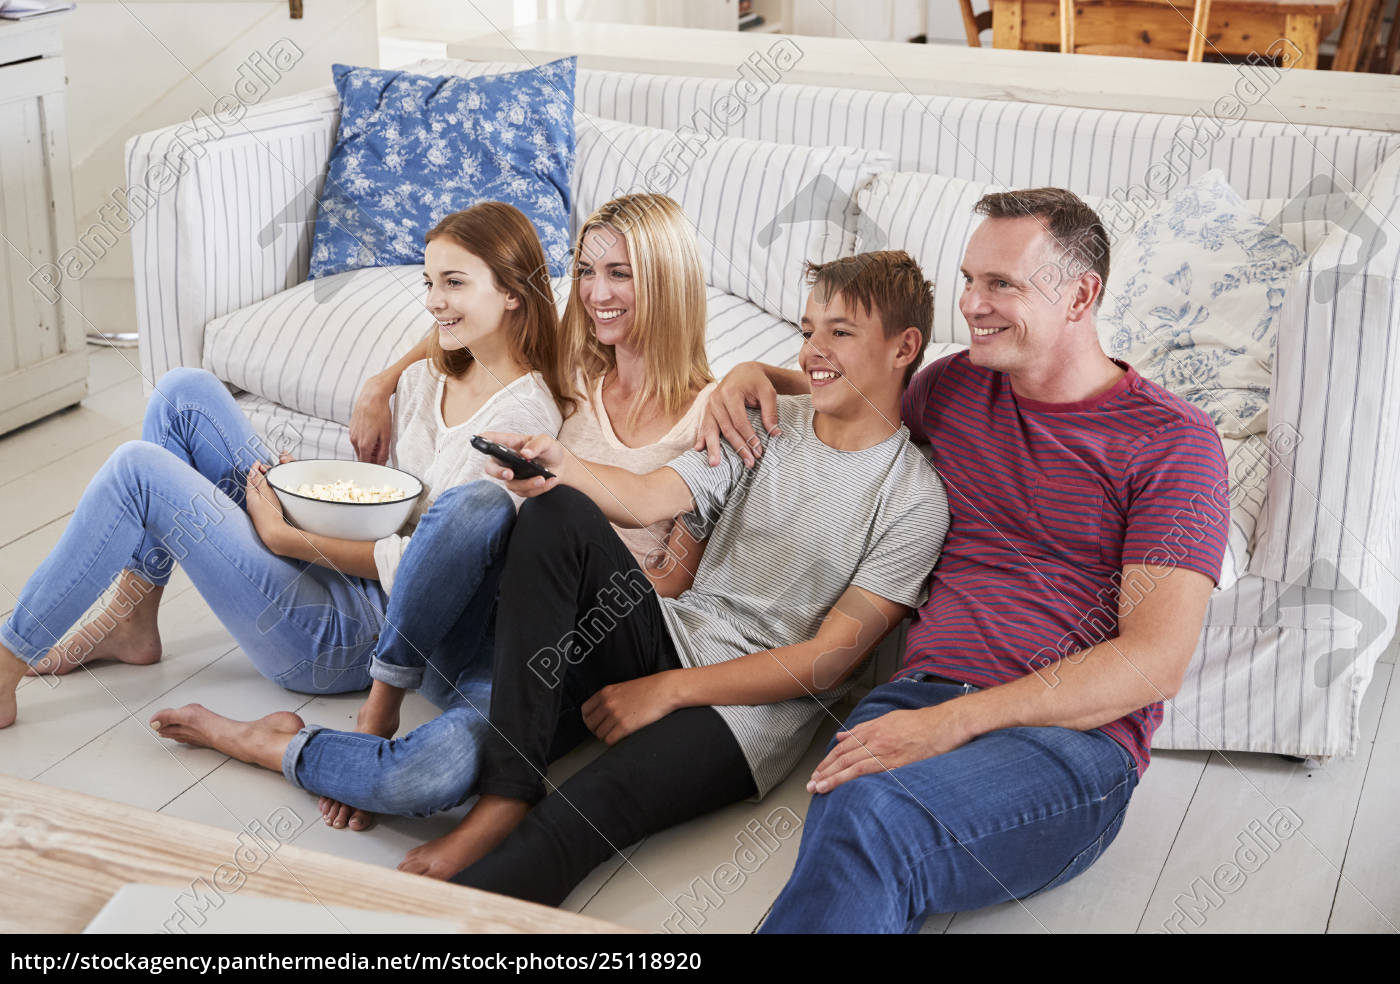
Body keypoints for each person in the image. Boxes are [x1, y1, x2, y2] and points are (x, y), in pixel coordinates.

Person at [697, 188, 1231, 933]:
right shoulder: (956, 388)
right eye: (970, 280)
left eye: (1001, 284)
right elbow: (854, 392)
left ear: (1082, 294)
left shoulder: (1172, 442)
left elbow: (1153, 663)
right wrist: (750, 373)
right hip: (915, 699)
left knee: (874, 817)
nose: (973, 305)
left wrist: (953, 724)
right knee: (864, 819)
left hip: (1071, 744)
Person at [147, 194, 720, 837]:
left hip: (559, 656)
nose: (594, 292)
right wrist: (383, 381)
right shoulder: (579, 367)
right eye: (585, 271)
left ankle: (264, 744)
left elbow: (674, 578)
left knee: (423, 780)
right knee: (475, 502)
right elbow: (473, 312)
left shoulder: (713, 415)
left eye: (620, 273)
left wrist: (762, 372)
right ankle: (381, 701)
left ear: (668, 281)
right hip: (478, 618)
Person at [391, 250, 950, 908]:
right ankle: (508, 792)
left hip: (746, 715)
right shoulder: (763, 422)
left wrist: (668, 691)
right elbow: (650, 495)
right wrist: (563, 465)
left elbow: (825, 663)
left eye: (841, 332)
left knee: (580, 818)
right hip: (669, 634)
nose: (812, 352)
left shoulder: (914, 497)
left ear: (903, 346)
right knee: (557, 511)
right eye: (807, 330)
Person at [0, 201, 566, 737]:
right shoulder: (427, 378)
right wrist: (307, 497)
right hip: (342, 575)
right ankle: (133, 620)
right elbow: (398, 510)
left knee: (138, 471)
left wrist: (287, 534)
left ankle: (5, 662)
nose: (433, 301)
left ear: (513, 293)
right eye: (430, 282)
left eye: (455, 282)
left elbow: (427, 566)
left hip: (357, 637)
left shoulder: (516, 426)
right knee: (184, 393)